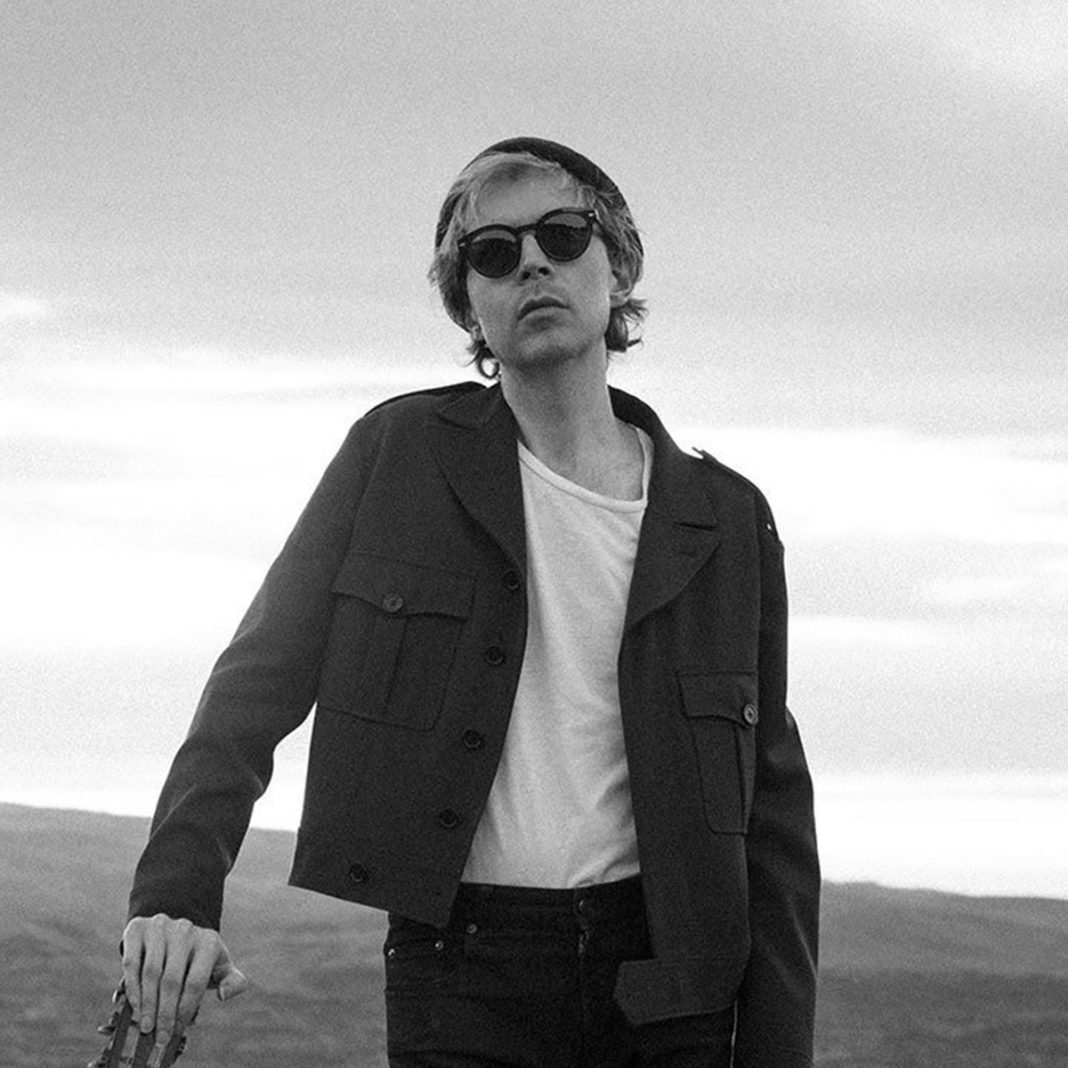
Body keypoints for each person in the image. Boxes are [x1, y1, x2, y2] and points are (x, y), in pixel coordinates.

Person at [120, 137, 819, 1067]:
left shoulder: (725, 518)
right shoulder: (398, 456)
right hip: (463, 974)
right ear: (470, 307)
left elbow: (773, 812)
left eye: (562, 235)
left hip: (671, 984)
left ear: (618, 267)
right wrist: (176, 896)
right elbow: (254, 687)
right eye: (493, 253)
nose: (531, 263)